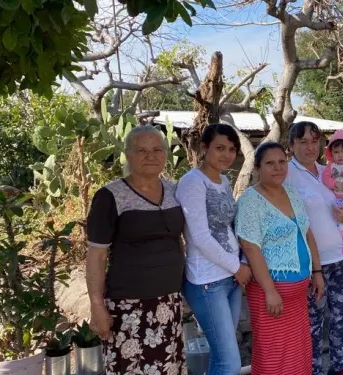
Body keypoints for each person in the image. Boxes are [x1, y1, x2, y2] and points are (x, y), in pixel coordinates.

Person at [85, 125, 186, 375]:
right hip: (128, 306)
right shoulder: (110, 196)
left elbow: (181, 241)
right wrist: (97, 305)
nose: (150, 156)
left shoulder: (175, 191)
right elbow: (97, 255)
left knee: (168, 368)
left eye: (156, 150)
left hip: (169, 302)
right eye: (141, 150)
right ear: (128, 155)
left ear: (165, 154)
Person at [235, 142, 326, 375]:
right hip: (271, 294)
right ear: (257, 168)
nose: (277, 168)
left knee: (297, 352)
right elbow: (250, 247)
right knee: (272, 354)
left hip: (297, 293)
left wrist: (317, 272)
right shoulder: (250, 201)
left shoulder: (291, 193)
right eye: (270, 163)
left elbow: (307, 233)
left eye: (281, 162)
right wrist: (270, 291)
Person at [175, 124, 253, 375]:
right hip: (207, 281)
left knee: (222, 357)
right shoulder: (192, 182)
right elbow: (199, 237)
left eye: (232, 149)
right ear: (203, 147)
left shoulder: (224, 181)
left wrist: (240, 263)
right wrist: (238, 267)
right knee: (229, 362)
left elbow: (229, 227)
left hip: (230, 278)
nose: (227, 154)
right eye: (220, 148)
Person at [285, 121, 343, 375]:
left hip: (340, 258)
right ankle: (313, 370)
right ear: (292, 144)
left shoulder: (329, 170)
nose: (309, 146)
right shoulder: (286, 174)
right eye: (303, 141)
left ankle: (338, 367)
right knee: (312, 323)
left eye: (314, 141)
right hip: (311, 263)